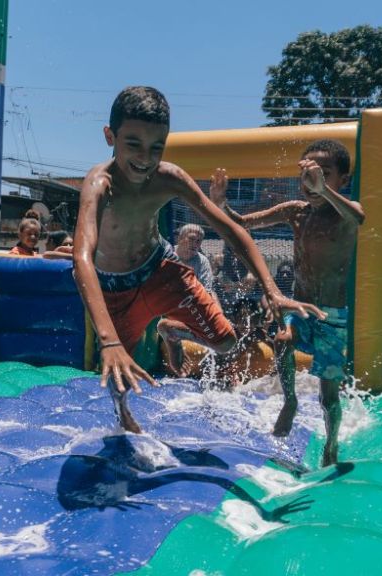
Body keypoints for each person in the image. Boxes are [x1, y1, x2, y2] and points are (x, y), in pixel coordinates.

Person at [72, 86, 324, 434]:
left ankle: (171, 331)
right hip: (115, 289)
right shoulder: (100, 184)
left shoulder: (168, 178)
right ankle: (124, 413)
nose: (145, 158)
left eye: (156, 147)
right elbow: (81, 256)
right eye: (133, 144)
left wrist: (271, 289)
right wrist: (109, 340)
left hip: (160, 269)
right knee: (117, 370)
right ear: (109, 136)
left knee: (226, 342)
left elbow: (231, 230)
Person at [211, 139, 364, 466]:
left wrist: (324, 190)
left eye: (322, 174)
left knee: (328, 396)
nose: (311, 182)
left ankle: (331, 445)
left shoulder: (346, 215)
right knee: (282, 339)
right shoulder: (295, 212)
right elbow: (243, 223)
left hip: (333, 316)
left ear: (343, 180)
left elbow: (358, 217)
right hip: (300, 307)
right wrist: (221, 205)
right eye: (307, 174)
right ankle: (291, 401)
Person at [173, 224, 214, 291]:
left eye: (198, 241)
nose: (195, 244)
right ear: (180, 238)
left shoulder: (202, 261)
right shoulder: (167, 254)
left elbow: (205, 291)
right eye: (191, 239)